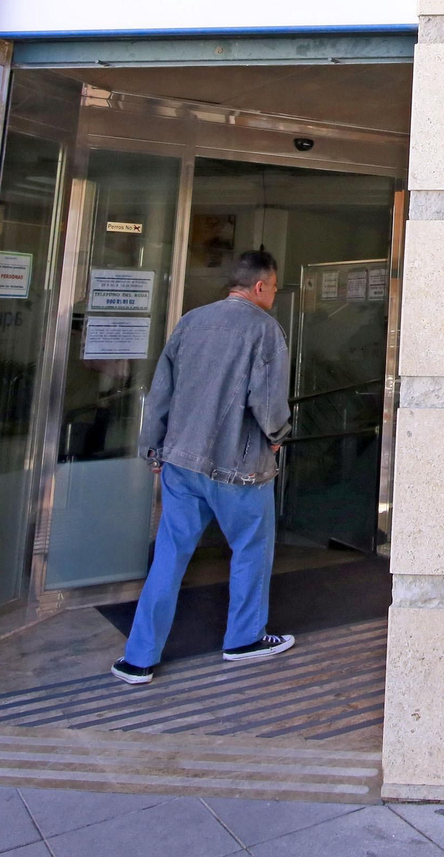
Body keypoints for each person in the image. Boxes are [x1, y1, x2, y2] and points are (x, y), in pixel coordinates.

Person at [111, 250, 295, 685]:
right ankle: (244, 639)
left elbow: (161, 393)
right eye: (273, 286)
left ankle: (137, 659)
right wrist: (278, 436)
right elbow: (267, 404)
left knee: (169, 558)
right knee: (251, 549)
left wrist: (154, 448)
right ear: (261, 286)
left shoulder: (191, 321)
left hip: (180, 462)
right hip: (240, 467)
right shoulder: (265, 330)